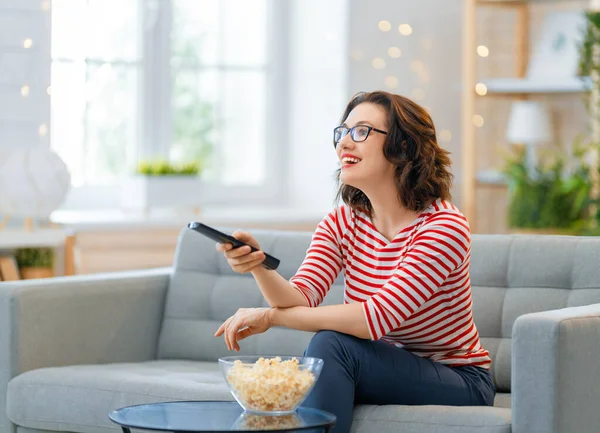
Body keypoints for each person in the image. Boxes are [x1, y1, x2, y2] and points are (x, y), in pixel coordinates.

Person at [214, 90, 495, 433]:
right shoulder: (342, 222)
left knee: (331, 346)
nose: (344, 143)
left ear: (403, 147)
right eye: (343, 131)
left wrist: (270, 317)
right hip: (378, 365)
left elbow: (374, 319)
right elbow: (301, 295)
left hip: (458, 379)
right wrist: (258, 265)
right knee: (313, 362)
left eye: (361, 132)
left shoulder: (443, 226)